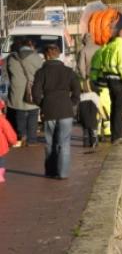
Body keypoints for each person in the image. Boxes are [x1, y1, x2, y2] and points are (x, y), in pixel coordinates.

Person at [32, 44, 81, 179]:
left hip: (49, 109)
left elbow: (35, 94)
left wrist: (43, 104)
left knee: (49, 142)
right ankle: (63, 173)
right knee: (64, 142)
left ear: (47, 56)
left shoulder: (41, 72)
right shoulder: (69, 72)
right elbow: (77, 90)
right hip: (66, 108)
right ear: (59, 55)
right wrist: (72, 103)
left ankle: (51, 171)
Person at [6, 38, 44, 146]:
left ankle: (21, 136)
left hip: (16, 89)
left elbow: (9, 74)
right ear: (30, 45)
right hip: (32, 89)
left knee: (20, 113)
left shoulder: (11, 58)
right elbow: (41, 73)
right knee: (33, 113)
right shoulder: (36, 58)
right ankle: (32, 139)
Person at [101, 29, 122, 144]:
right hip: (119, 81)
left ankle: (114, 134)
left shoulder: (110, 46)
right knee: (119, 109)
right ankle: (117, 137)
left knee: (114, 107)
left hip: (109, 80)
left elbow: (103, 62)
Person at [90, 44, 111, 140]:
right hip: (106, 86)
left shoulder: (98, 52)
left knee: (98, 109)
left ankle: (97, 132)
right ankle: (107, 132)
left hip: (97, 86)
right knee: (106, 109)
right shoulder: (109, 52)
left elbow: (93, 71)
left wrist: (93, 83)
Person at [0, 99, 18, 183]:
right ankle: (0, 174)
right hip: (1, 146)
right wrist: (13, 141)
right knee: (1, 161)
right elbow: (9, 131)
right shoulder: (2, 120)